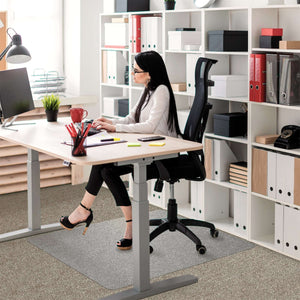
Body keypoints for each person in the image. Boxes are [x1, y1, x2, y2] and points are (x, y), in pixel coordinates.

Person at [59, 50, 182, 250]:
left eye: (136, 70)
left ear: (149, 72)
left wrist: (115, 128)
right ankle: (119, 222)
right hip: (145, 146)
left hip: (160, 153)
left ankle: (85, 212)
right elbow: (132, 119)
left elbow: (150, 126)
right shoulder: (148, 89)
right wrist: (109, 122)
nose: (132, 74)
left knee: (104, 167)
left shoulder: (161, 91)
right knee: (105, 168)